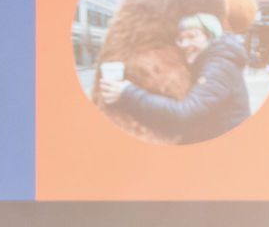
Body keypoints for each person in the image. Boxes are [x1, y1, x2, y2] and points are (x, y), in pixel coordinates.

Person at [97, 12, 252, 144]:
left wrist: (128, 93)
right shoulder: (208, 63)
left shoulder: (219, 66)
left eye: (192, 36)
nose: (184, 44)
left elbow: (185, 114)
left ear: (210, 37)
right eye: (181, 39)